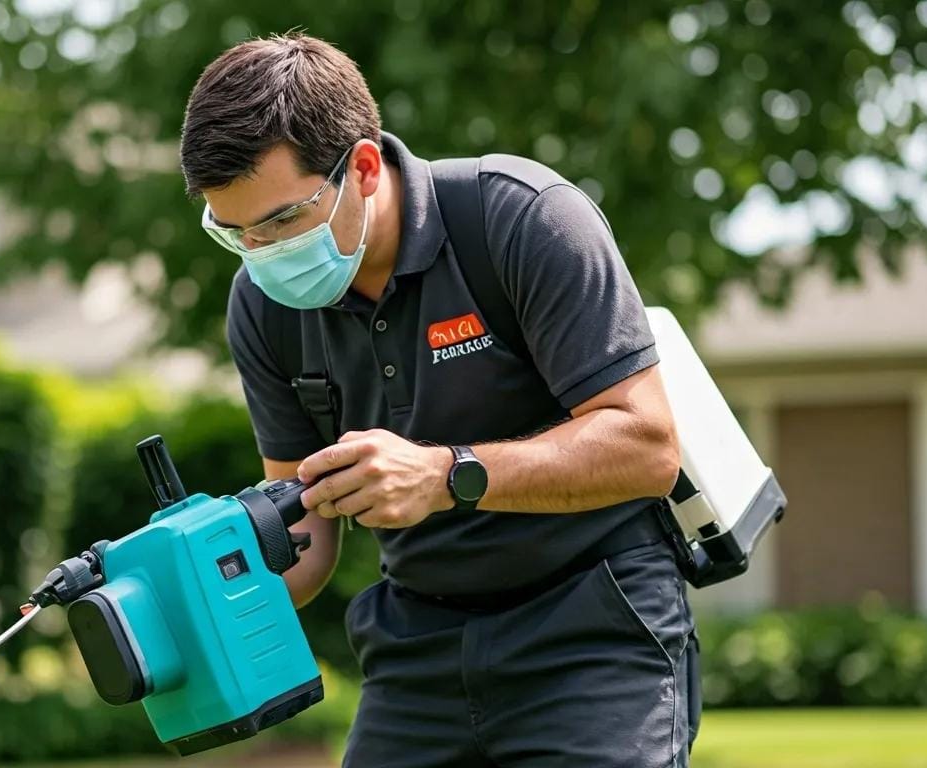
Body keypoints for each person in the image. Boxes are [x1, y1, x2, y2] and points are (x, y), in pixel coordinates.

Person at [180, 32, 699, 768]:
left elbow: (646, 447)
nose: (263, 254)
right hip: (417, 643)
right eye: (233, 234)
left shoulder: (522, 219)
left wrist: (446, 474)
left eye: (281, 222)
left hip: (593, 625)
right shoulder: (263, 308)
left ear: (362, 167)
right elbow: (305, 538)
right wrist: (178, 598)